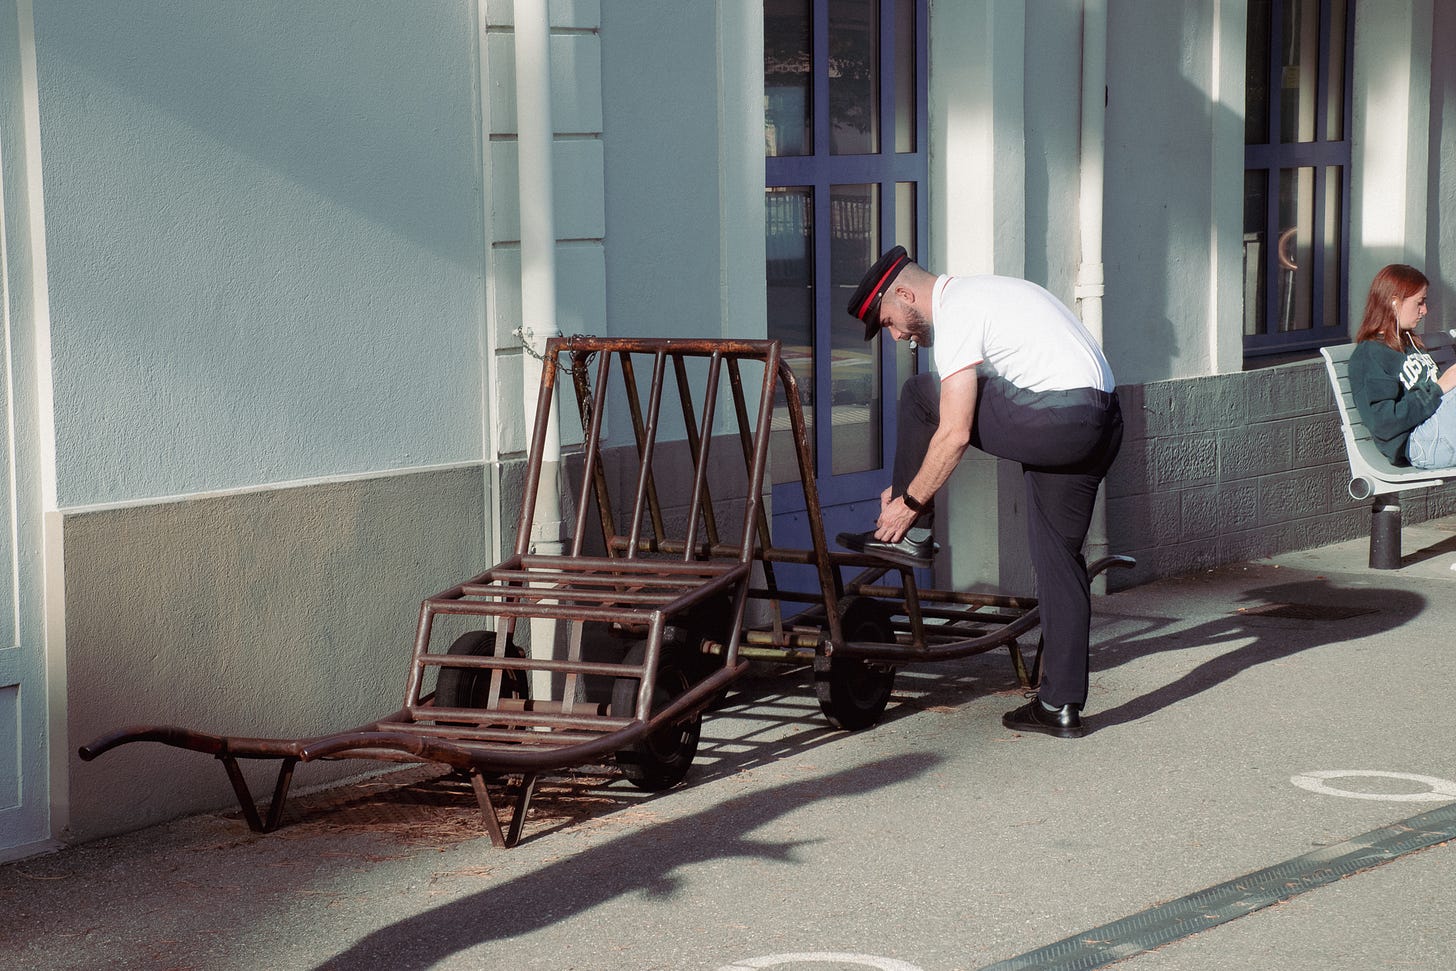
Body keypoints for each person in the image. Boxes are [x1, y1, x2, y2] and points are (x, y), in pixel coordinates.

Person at [838, 246, 1122, 738]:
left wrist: (908, 504)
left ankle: (914, 535)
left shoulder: (956, 311)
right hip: (1102, 421)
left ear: (905, 294)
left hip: (1057, 419)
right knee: (1059, 560)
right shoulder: (993, 292)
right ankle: (1059, 705)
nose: (898, 336)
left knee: (919, 395)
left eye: (889, 322)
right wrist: (911, 482)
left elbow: (954, 433)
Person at [1347, 264, 1456, 470]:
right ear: (1394, 302)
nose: (1424, 310)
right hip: (1419, 442)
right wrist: (1439, 388)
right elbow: (1383, 423)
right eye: (1419, 302)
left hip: (1441, 428)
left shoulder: (1410, 344)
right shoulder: (1370, 354)